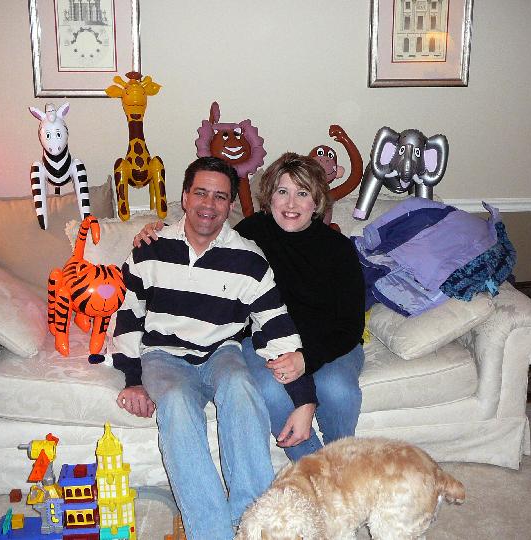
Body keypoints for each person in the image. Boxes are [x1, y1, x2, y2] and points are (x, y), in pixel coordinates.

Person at [108, 156, 305, 540]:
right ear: (185, 197)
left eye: (220, 197)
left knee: (242, 388)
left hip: (221, 352)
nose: (209, 205)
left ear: (230, 205)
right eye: (201, 193)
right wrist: (132, 380)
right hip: (163, 356)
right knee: (177, 403)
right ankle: (212, 532)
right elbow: (128, 315)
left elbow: (274, 322)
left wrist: (298, 382)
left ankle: (255, 523)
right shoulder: (150, 249)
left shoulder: (249, 259)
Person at [135, 152, 365, 463]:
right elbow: (204, 236)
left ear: (317, 201)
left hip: (330, 343)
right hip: (266, 341)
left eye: (302, 193)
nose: (291, 203)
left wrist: (305, 358)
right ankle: (319, 472)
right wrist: (158, 231)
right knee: (269, 390)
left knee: (337, 389)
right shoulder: (251, 233)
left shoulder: (338, 248)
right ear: (270, 197)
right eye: (282, 191)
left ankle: (346, 464)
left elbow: (350, 325)